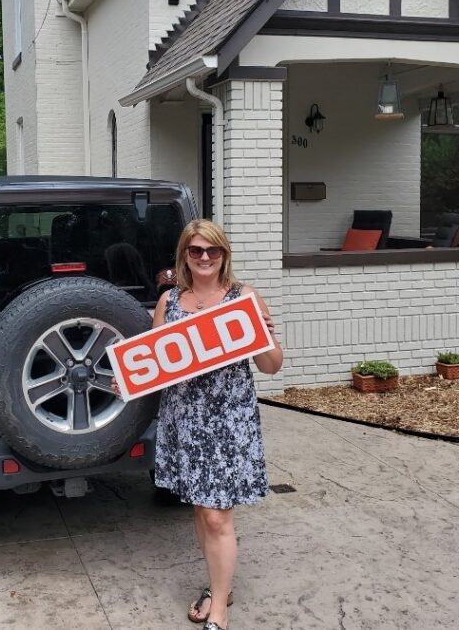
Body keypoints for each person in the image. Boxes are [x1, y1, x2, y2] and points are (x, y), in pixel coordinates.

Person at [152, 219, 283, 630]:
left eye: (213, 251)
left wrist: (264, 336)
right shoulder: (169, 301)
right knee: (200, 510)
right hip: (184, 418)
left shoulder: (244, 298)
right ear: (184, 256)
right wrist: (127, 375)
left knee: (216, 517)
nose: (205, 258)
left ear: (224, 254)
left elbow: (272, 366)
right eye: (196, 251)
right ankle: (216, 587)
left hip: (230, 419)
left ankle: (221, 611)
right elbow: (154, 365)